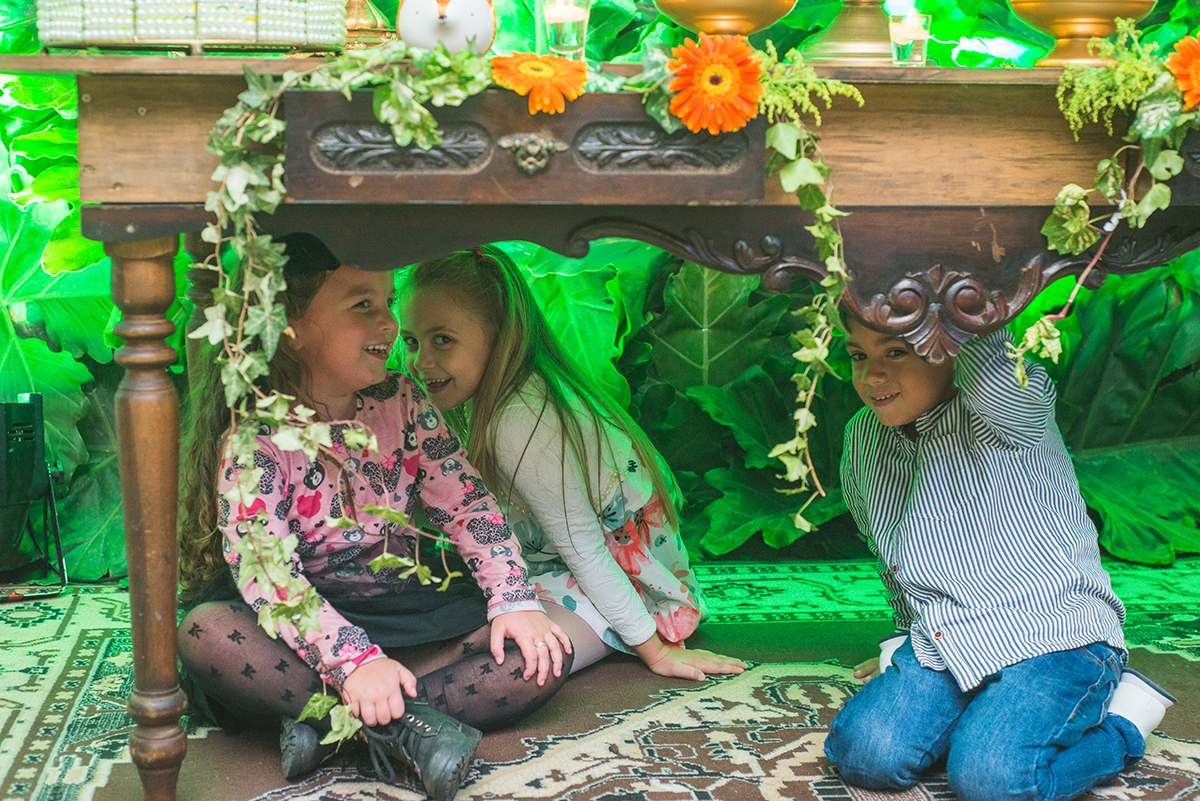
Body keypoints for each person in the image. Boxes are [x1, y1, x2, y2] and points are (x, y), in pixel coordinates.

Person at [176, 234, 573, 801]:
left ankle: (324, 726)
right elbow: (269, 575)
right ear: (287, 325)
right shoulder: (255, 435)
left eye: (387, 302)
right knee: (205, 633)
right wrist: (352, 662)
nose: (388, 324)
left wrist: (514, 599)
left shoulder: (404, 401)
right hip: (299, 626)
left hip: (400, 606)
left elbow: (466, 505)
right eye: (363, 305)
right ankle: (415, 730)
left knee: (540, 656)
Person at [825, 316, 1176, 801]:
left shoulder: (1008, 407)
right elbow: (888, 547)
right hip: (948, 638)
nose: (872, 376)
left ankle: (1122, 724)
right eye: (859, 355)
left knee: (993, 782)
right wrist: (911, 633)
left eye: (897, 352)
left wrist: (963, 289)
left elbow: (983, 345)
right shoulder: (863, 437)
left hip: (1053, 638)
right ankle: (986, 714)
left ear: (950, 345)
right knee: (865, 754)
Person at [395, 246, 746, 681]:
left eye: (442, 340)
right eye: (411, 341)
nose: (420, 361)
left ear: (501, 334)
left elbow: (585, 550)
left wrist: (657, 654)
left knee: (516, 667)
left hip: (616, 584)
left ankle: (364, 707)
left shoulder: (520, 416)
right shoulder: (492, 395)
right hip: (557, 569)